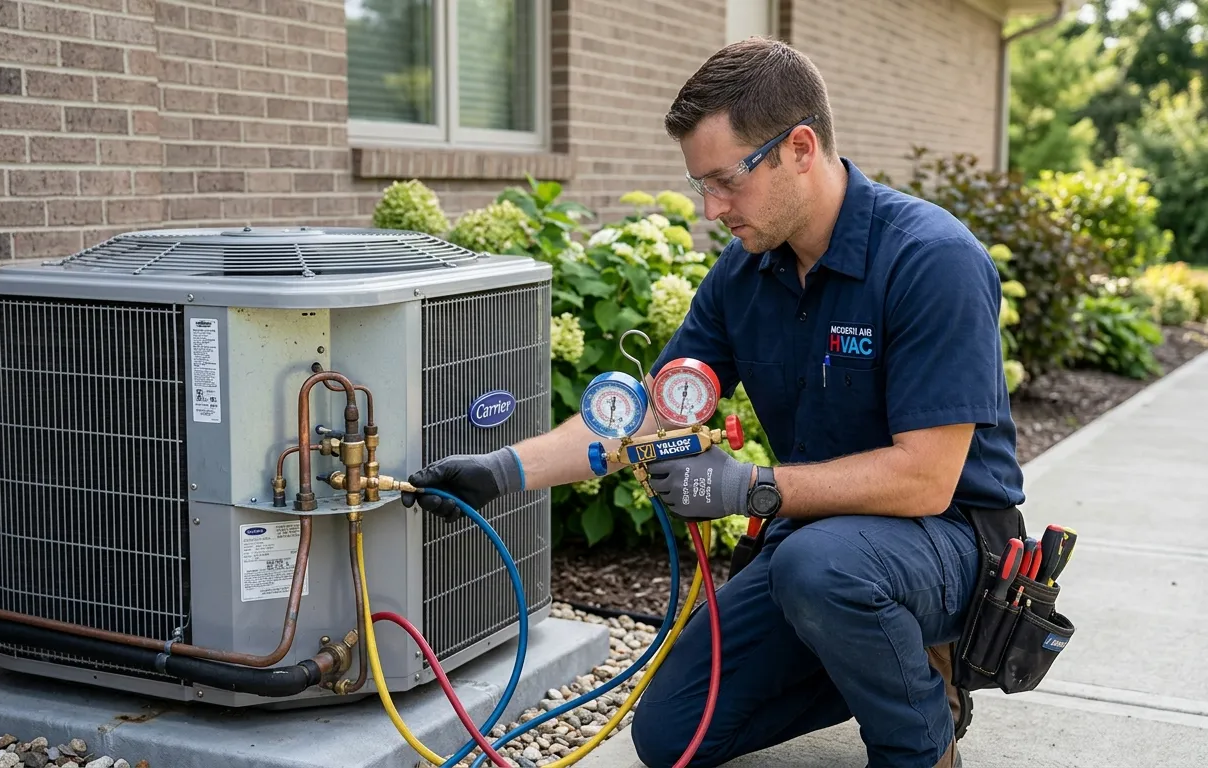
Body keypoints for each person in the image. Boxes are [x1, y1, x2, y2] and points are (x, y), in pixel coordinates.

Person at [401, 37, 1024, 768]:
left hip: (948, 542)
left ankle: (921, 737)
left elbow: (927, 477)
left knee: (821, 571)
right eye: (701, 184)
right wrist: (503, 470)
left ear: (799, 147)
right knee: (672, 734)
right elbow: (655, 411)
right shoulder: (747, 271)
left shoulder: (929, 259)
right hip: (822, 545)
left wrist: (751, 487)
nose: (711, 207)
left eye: (726, 180)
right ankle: (887, 661)